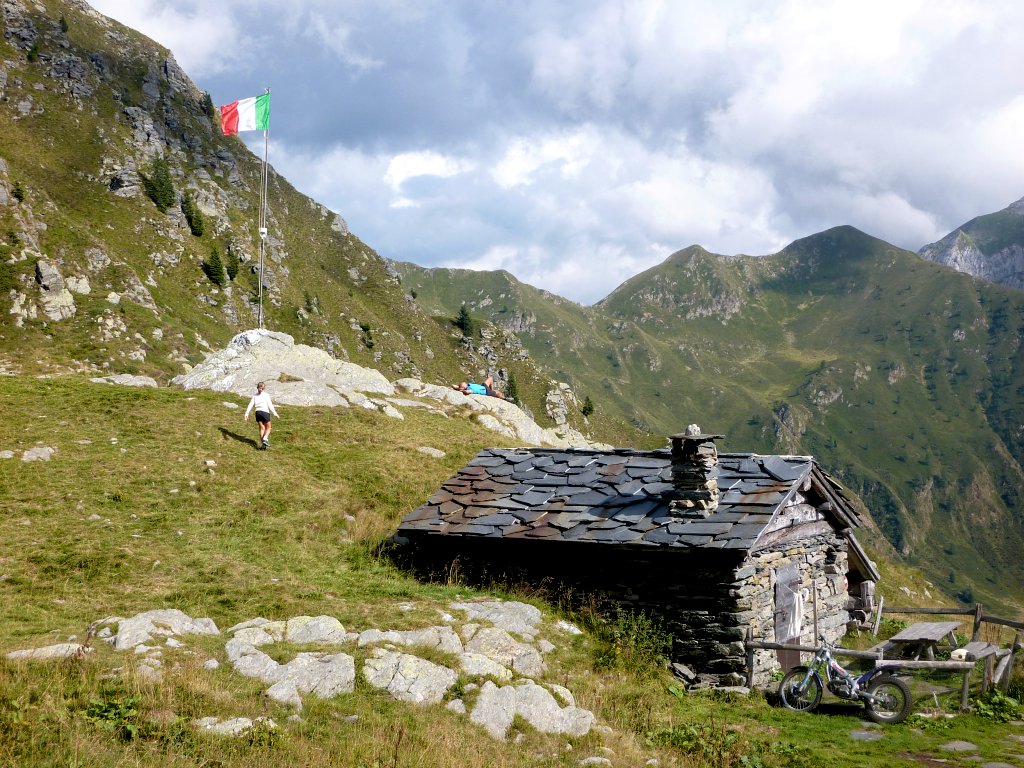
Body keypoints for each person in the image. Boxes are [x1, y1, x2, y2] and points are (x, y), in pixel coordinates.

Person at [243, 381, 280, 449]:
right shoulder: (266, 395)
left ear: (257, 388)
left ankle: (263, 445)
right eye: (261, 388)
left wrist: (246, 413)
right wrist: (275, 413)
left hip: (258, 413)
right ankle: (265, 439)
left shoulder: (254, 396)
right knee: (268, 427)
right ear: (263, 388)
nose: (261, 389)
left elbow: (250, 405)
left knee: (262, 428)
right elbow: (270, 405)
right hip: (265, 412)